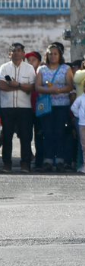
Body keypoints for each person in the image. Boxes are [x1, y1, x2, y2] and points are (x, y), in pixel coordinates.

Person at [35, 44, 72, 172]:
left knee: (60, 132)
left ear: (60, 55)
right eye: (50, 54)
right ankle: (48, 160)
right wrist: (49, 90)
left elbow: (70, 86)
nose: (53, 56)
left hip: (61, 105)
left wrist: (59, 90)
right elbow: (37, 87)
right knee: (47, 132)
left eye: (55, 53)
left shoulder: (66, 68)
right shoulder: (42, 69)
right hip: (47, 106)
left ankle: (60, 160)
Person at [0, 43, 36, 173]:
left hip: (24, 108)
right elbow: (1, 85)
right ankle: (7, 163)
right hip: (7, 107)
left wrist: (17, 84)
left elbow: (32, 87)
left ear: (23, 53)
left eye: (19, 50)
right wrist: (19, 87)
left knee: (26, 136)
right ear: (9, 54)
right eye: (13, 51)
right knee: (7, 136)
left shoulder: (29, 68)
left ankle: (25, 164)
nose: (16, 53)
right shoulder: (4, 68)